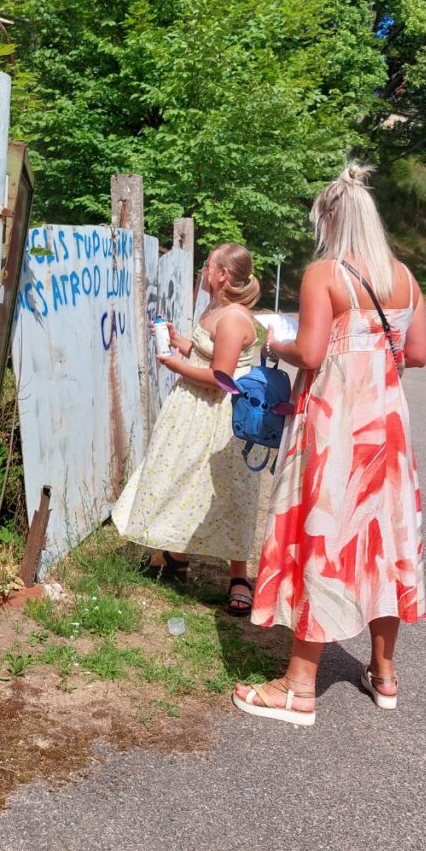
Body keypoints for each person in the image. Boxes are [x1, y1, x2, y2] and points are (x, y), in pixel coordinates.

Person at [233, 161, 426, 726]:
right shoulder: (405, 277)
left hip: (335, 420)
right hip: (387, 425)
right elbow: (417, 354)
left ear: (329, 221)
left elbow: (312, 353)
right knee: (383, 535)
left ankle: (298, 688)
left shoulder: (325, 274)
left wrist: (278, 343)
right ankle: (384, 674)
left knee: (327, 532)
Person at [113, 243, 263, 615]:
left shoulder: (233, 318)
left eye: (209, 265)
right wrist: (180, 341)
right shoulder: (215, 308)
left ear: (223, 275)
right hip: (197, 412)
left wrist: (173, 364)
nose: (204, 270)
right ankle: (174, 554)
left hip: (220, 418)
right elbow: (207, 353)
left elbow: (221, 377)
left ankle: (238, 577)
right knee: (184, 481)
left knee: (226, 492)